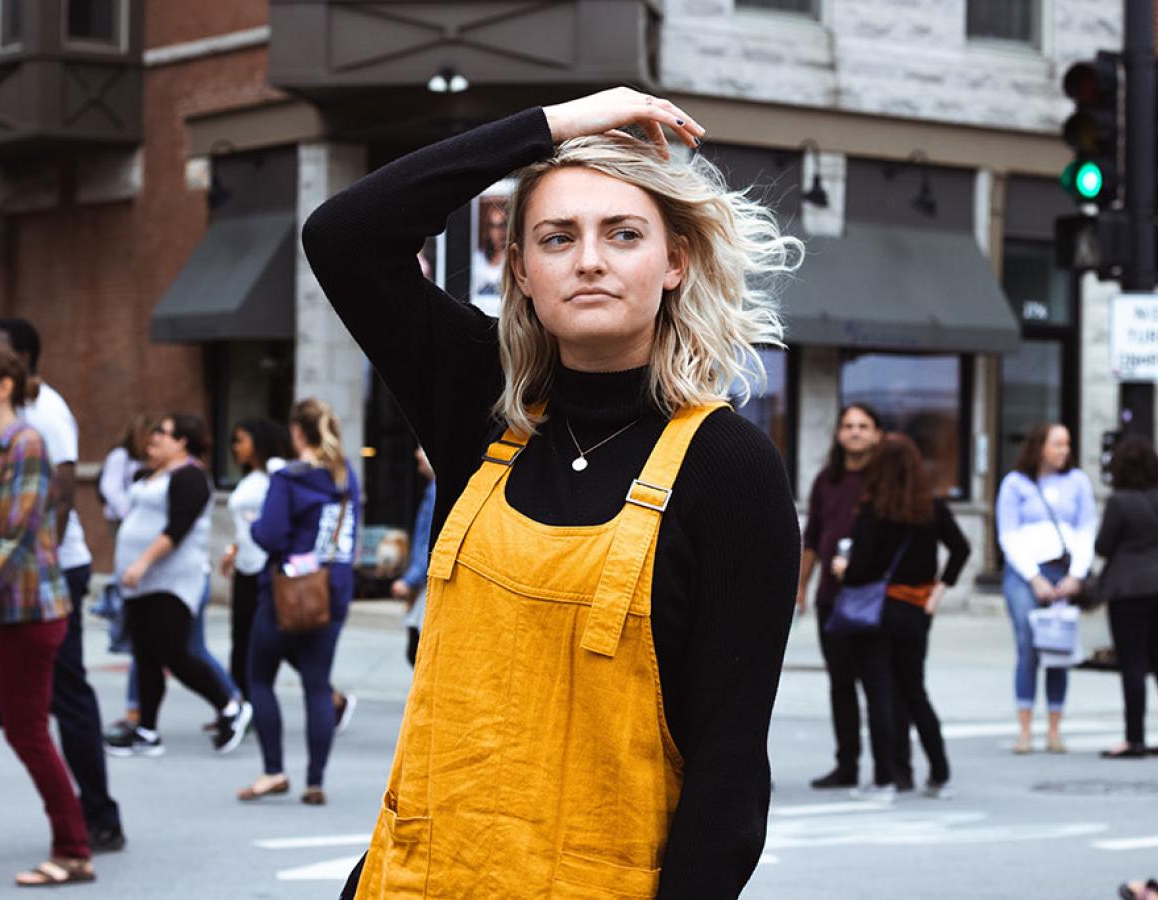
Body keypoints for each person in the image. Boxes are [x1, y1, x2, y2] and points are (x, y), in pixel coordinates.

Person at [304, 87, 802, 898]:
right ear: (524, 274)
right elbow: (345, 235)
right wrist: (560, 123)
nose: (591, 260)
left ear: (675, 262)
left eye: (624, 233)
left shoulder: (730, 469)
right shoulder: (480, 411)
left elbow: (730, 779)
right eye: (558, 237)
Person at [0, 318, 125, 852]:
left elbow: (43, 513)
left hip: (42, 586)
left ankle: (95, 822)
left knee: (58, 703)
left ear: (15, 369)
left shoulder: (43, 420)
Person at [0, 343, 94, 886]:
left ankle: (74, 848)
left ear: (4, 386)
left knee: (27, 731)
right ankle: (75, 844)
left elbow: (15, 540)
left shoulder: (27, 445)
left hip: (28, 614)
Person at [834, 434, 970, 801]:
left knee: (878, 695)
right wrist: (938, 592)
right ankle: (939, 774)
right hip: (915, 610)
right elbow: (961, 548)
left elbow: (861, 569)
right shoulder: (931, 507)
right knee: (914, 692)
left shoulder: (872, 509)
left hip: (876, 614)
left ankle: (884, 779)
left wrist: (842, 567)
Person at [108, 413, 251, 756]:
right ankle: (146, 731)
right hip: (142, 584)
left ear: (183, 441)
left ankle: (231, 706)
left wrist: (141, 562)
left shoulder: (191, 477)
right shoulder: (150, 473)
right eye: (154, 431)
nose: (154, 437)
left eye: (164, 433)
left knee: (175, 653)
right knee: (145, 656)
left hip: (171, 582)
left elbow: (177, 528)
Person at [239, 399, 360, 806]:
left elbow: (270, 536)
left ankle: (273, 771)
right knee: (316, 685)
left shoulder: (288, 479)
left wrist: (254, 527)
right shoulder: (345, 477)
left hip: (286, 596)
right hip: (332, 592)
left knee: (259, 677)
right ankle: (315, 781)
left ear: (296, 433)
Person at [996, 422, 1096, 755]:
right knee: (1028, 644)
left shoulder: (1078, 482)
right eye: (1057, 444)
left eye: (1067, 444)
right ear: (1040, 446)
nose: (1063, 451)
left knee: (1058, 647)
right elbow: (1008, 533)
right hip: (1026, 574)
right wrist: (1032, 576)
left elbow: (1086, 528)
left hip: (1063, 570)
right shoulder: (1015, 484)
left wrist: (1077, 574)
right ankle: (1024, 729)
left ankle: (1054, 728)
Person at [798, 403, 883, 790]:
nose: (855, 432)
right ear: (838, 434)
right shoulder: (826, 481)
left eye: (863, 426)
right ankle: (846, 763)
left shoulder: (885, 480)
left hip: (873, 597)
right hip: (832, 599)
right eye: (848, 425)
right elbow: (813, 537)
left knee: (879, 683)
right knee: (841, 684)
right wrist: (801, 586)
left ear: (877, 434)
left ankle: (890, 766)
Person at [1094, 435, 1158, 759]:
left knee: (1133, 663)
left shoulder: (1119, 502)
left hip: (1128, 588)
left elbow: (1103, 546)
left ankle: (1134, 738)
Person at [221, 418, 293, 701]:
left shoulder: (276, 474)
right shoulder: (252, 478)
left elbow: (274, 522)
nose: (235, 447)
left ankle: (332, 697)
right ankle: (243, 702)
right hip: (246, 566)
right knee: (242, 638)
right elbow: (248, 523)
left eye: (241, 440)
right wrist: (234, 548)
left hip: (266, 568)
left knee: (267, 639)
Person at [391, 447, 436, 666]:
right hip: (426, 581)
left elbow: (429, 541)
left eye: (423, 448)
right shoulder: (434, 489)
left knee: (419, 651)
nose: (417, 453)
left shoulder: (437, 491)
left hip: (427, 583)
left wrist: (410, 580)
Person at [99, 413, 151, 534]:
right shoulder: (120, 455)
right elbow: (110, 488)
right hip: (121, 517)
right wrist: (128, 514)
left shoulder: (143, 458)